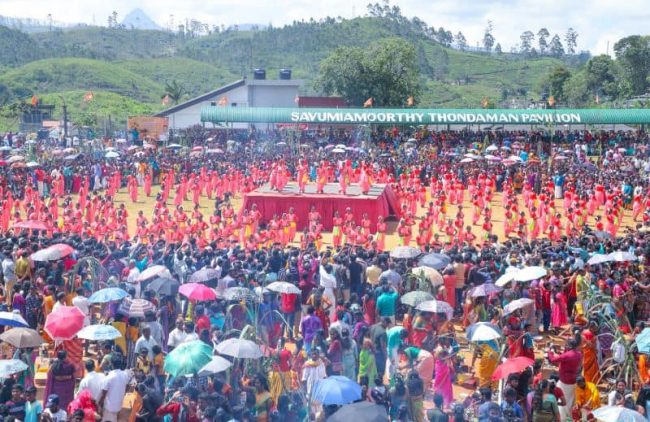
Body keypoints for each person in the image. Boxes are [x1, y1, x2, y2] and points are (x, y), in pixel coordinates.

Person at [99, 355, 132, 422]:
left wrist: (100, 404)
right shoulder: (125, 375)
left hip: (109, 407)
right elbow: (127, 387)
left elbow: (103, 393)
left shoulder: (109, 377)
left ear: (111, 364)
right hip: (119, 404)